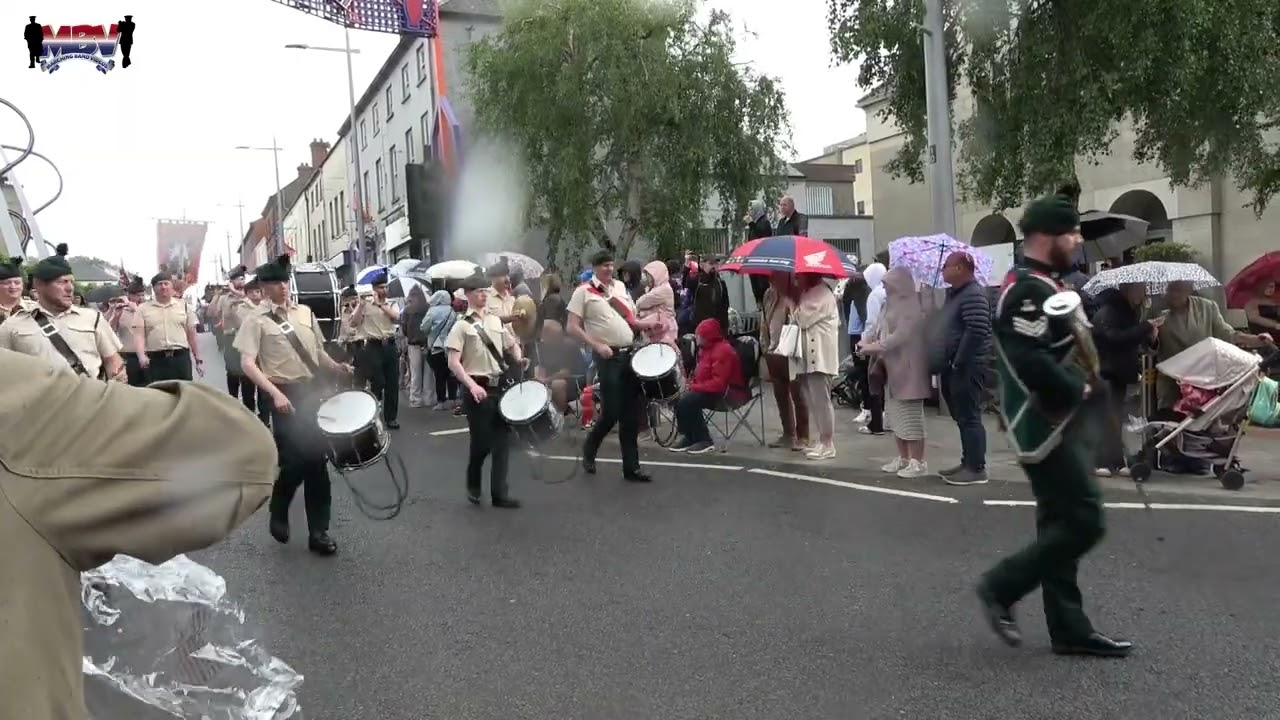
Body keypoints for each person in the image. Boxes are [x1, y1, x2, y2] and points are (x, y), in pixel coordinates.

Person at [0, 347, 277, 720]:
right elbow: (241, 454)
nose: (66, 285)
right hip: (75, 437)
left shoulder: (90, 321)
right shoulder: (17, 384)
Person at [975, 194, 1130, 658]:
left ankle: (1068, 626)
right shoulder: (1026, 290)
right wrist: (1076, 389)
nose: (1078, 240)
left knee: (1059, 523)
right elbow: (1028, 359)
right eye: (1071, 233)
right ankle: (1001, 587)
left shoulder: (1046, 283)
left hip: (1064, 421)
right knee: (1085, 520)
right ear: (1045, 237)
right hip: (1047, 424)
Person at [235, 255, 353, 555]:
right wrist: (274, 394)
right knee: (294, 460)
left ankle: (319, 532)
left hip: (311, 390)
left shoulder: (304, 312)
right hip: (282, 392)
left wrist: (336, 367)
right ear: (263, 287)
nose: (284, 287)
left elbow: (316, 351)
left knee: (317, 462)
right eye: (277, 283)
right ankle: (279, 504)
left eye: (285, 282)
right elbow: (248, 364)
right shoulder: (255, 320)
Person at [567, 249, 656, 482]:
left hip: (629, 354)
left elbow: (630, 318)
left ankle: (632, 467)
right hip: (607, 356)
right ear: (595, 267)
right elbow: (572, 326)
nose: (608, 269)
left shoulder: (618, 288)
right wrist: (596, 345)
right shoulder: (583, 292)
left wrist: (647, 324)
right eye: (603, 265)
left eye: (610, 265)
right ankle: (590, 447)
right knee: (612, 411)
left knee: (630, 413)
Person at [446, 275, 528, 508]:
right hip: (476, 389)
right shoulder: (461, 325)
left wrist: (520, 359)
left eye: (485, 291)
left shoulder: (495, 321)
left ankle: (499, 494)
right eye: (479, 291)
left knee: (502, 442)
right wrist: (471, 386)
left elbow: (510, 344)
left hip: (498, 387)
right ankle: (473, 481)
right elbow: (454, 362)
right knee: (482, 444)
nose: (483, 295)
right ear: (469, 294)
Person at [0, 244, 124, 381]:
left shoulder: (92, 318)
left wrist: (116, 390)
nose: (70, 288)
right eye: (62, 282)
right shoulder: (12, 325)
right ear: (39, 285)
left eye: (71, 282)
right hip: (40, 400)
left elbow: (112, 360)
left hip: (90, 399)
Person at [859, 267, 932, 477]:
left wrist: (874, 347)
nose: (884, 287)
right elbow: (878, 328)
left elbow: (901, 336)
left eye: (887, 283)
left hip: (909, 369)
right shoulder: (888, 303)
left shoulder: (912, 307)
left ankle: (918, 462)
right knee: (894, 415)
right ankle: (904, 458)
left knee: (911, 417)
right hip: (891, 368)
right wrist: (866, 340)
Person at [1155, 279, 1268, 410]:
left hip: (1202, 379)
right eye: (1171, 289)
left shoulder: (1207, 308)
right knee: (1171, 422)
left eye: (1179, 290)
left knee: (1204, 421)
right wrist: (1152, 338)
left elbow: (1226, 333)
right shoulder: (1158, 311)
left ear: (1189, 289)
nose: (1174, 294)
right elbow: (1148, 345)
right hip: (1172, 380)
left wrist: (1254, 340)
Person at [1091, 281, 1160, 476]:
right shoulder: (1110, 311)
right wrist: (1144, 327)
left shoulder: (1130, 311)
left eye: (1144, 289)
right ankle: (1101, 461)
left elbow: (1131, 340)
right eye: (1139, 289)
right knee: (1108, 417)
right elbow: (1114, 338)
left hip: (1119, 371)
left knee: (1115, 417)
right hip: (1107, 370)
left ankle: (1115, 461)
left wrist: (1150, 334)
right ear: (1126, 289)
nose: (1143, 293)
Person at [937, 251, 993, 485]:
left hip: (967, 365)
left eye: (946, 266)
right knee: (961, 415)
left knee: (970, 416)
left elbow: (977, 329)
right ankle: (967, 461)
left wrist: (958, 360)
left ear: (960, 268)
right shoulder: (956, 295)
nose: (943, 270)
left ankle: (976, 467)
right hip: (954, 365)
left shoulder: (973, 294)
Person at [670, 318, 746, 453]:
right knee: (679, 398)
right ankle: (690, 436)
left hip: (728, 392)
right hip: (710, 390)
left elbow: (719, 384)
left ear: (707, 336)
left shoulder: (723, 351)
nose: (697, 338)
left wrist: (694, 387)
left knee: (689, 401)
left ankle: (703, 439)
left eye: (699, 335)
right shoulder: (705, 350)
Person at [790, 274, 840, 459]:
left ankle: (828, 443)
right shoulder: (810, 293)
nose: (796, 279)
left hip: (820, 358)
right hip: (810, 358)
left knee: (821, 402)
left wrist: (791, 304)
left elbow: (802, 319)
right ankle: (822, 441)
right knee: (813, 401)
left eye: (799, 276)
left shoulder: (821, 294)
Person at [760, 272, 809, 450]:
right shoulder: (769, 295)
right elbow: (764, 321)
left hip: (792, 351)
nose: (772, 280)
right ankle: (788, 433)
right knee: (780, 393)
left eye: (776, 277)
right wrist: (765, 347)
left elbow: (803, 321)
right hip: (773, 350)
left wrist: (792, 306)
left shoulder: (797, 295)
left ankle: (803, 435)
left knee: (797, 393)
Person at [350, 270, 401, 429]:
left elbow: (395, 317)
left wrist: (381, 305)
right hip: (373, 346)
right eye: (380, 287)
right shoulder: (365, 305)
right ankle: (372, 416)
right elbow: (353, 323)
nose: (383, 290)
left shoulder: (391, 303)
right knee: (377, 382)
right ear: (373, 288)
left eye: (385, 287)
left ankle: (391, 418)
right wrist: (360, 305)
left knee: (392, 384)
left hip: (390, 345)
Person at [134, 271, 202, 382]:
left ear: (171, 286)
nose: (163, 287)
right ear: (154, 288)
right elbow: (139, 335)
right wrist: (141, 356)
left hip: (180, 358)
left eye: (166, 283)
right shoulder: (143, 309)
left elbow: (191, 334)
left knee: (184, 394)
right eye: (159, 284)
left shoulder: (183, 306)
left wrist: (198, 358)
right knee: (159, 395)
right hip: (156, 360)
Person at [536, 319, 589, 413]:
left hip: (574, 379)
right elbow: (542, 367)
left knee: (558, 384)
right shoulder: (544, 347)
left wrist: (546, 381)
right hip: (551, 379)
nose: (542, 338)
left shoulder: (568, 346)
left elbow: (565, 372)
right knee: (535, 385)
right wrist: (539, 381)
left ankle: (560, 412)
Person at [422, 288, 460, 409]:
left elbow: (424, 328)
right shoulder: (452, 311)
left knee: (439, 376)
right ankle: (453, 399)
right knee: (451, 374)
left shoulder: (432, 311)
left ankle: (441, 401)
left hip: (436, 347)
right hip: (451, 346)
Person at [107, 275, 148, 386]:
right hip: (128, 356)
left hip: (147, 355)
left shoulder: (147, 309)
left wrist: (136, 310)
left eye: (143, 295)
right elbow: (109, 331)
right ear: (129, 295)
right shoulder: (121, 309)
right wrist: (115, 315)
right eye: (138, 295)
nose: (141, 298)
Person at [636, 260, 678, 348]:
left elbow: (640, 303)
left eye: (649, 276)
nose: (647, 279)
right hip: (654, 329)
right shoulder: (655, 289)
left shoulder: (663, 289)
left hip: (664, 329)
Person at [401, 284, 431, 408]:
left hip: (413, 343)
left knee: (415, 373)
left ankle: (415, 399)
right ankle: (429, 398)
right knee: (429, 374)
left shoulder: (407, 310)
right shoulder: (428, 307)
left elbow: (404, 328)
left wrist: (409, 336)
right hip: (428, 343)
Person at [0, 254, 34, 324]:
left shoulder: (36, 308)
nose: (13, 286)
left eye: (17, 282)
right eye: (7, 283)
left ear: (22, 285)